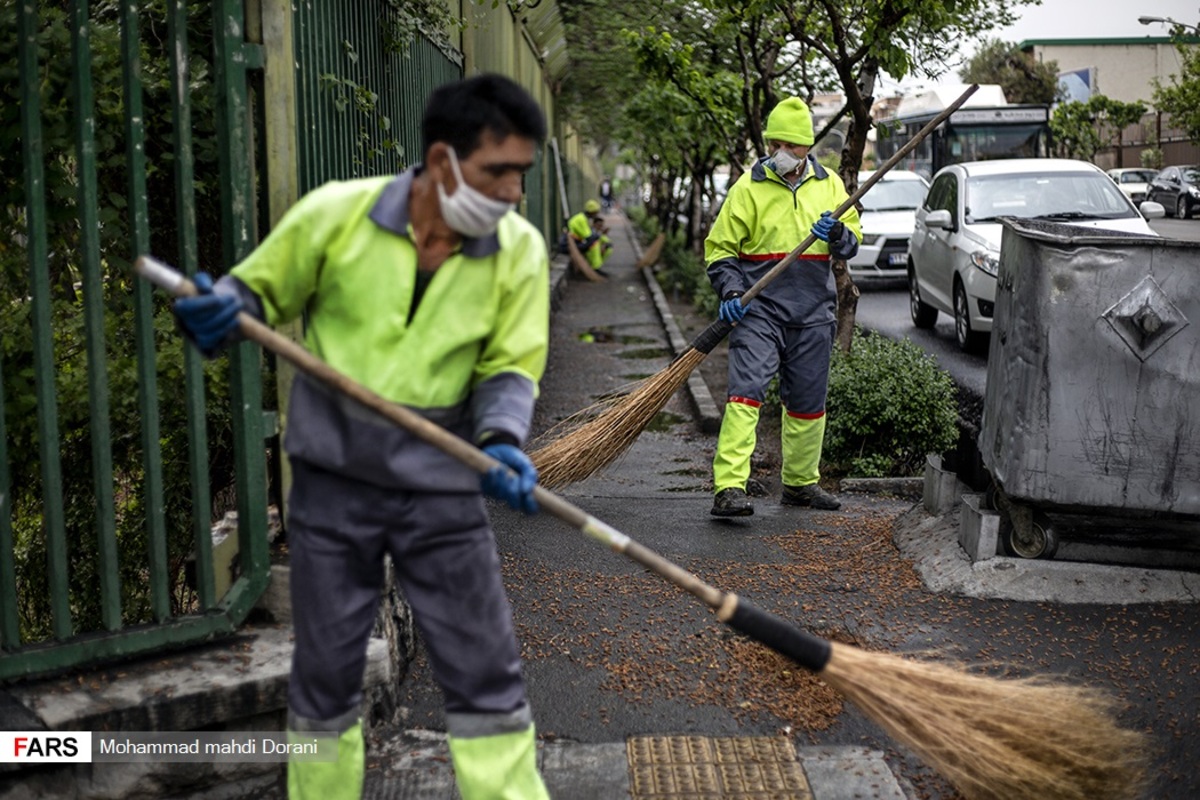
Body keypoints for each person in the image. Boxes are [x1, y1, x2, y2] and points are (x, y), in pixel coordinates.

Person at [171, 74, 551, 800]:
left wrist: (502, 437)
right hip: (332, 485)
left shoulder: (519, 251)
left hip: (442, 483)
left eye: (522, 174)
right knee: (326, 670)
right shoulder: (335, 216)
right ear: (442, 162)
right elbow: (255, 292)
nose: (511, 192)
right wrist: (220, 307)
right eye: (497, 171)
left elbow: (509, 364)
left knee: (484, 667)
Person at [704, 96, 862, 518]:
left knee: (809, 401)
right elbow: (719, 250)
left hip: (813, 311)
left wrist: (836, 236)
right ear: (771, 143)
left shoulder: (828, 184)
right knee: (746, 394)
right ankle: (729, 487)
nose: (796, 155)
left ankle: (800, 483)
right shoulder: (747, 188)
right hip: (761, 310)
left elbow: (852, 240)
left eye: (803, 147)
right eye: (788, 147)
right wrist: (732, 291)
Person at [566, 198, 612, 273]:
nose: (597, 214)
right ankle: (595, 268)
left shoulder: (586, 219)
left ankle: (597, 265)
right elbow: (589, 237)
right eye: (596, 212)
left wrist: (605, 241)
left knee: (608, 246)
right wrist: (600, 235)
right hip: (574, 243)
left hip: (580, 241)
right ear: (592, 212)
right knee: (594, 244)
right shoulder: (581, 219)